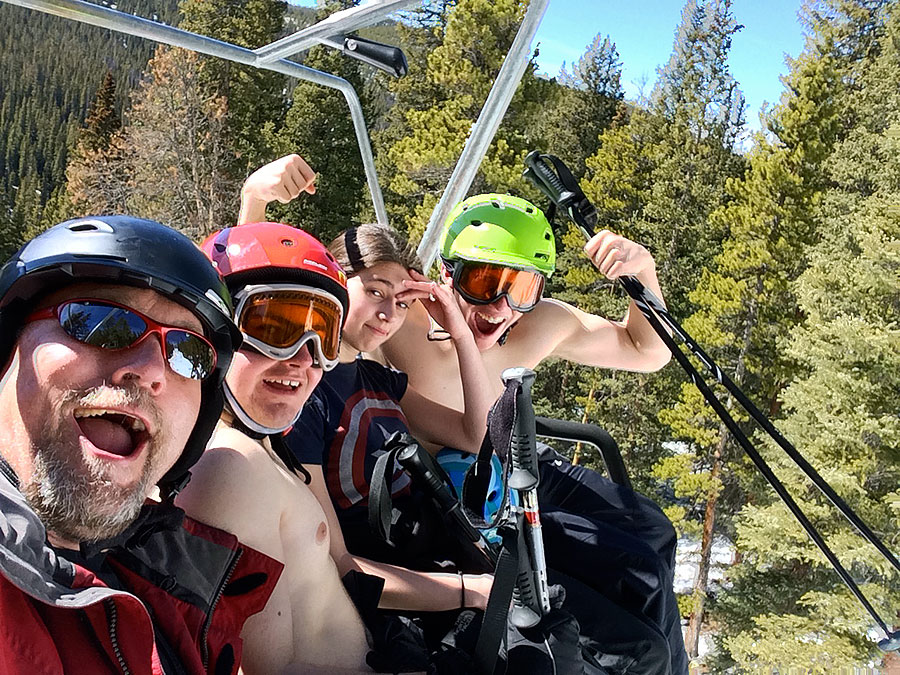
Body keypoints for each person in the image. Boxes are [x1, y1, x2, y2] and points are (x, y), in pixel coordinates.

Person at [380, 193, 688, 673]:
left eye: (522, 288)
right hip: (460, 491)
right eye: (483, 282)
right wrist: (255, 202)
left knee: (654, 530)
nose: (501, 307)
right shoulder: (401, 324)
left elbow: (647, 351)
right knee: (638, 576)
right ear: (447, 274)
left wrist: (642, 276)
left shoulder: (540, 325)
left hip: (515, 458)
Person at [176, 221, 491, 674]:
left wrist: (460, 333)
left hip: (393, 637)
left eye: (322, 333)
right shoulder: (234, 466)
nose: (305, 358)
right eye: (276, 328)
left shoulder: (267, 438)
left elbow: (474, 436)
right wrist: (469, 591)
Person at [0, 216, 282, 675]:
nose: (151, 370)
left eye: (189, 354)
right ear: (7, 352)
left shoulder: (176, 586)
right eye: (100, 322)